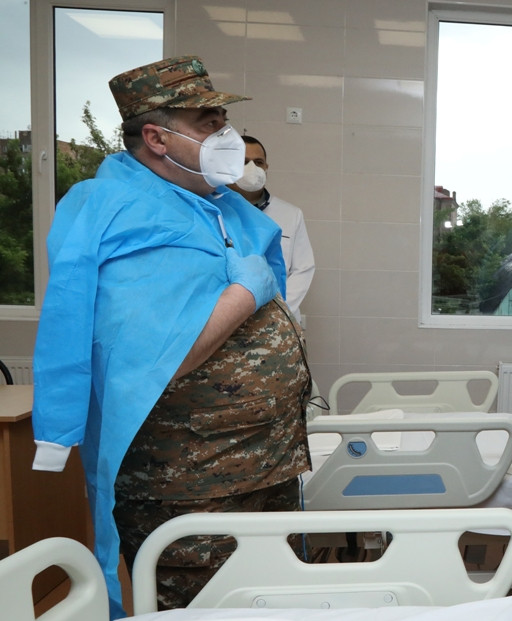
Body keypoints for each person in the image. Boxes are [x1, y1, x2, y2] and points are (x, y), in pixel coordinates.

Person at [30, 56, 312, 618]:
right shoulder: (121, 211)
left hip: (263, 463)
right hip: (194, 482)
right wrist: (246, 292)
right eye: (209, 123)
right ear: (157, 138)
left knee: (274, 604)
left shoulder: (213, 203)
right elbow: (159, 356)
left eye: (223, 120)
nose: (227, 136)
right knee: (208, 609)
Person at [228, 135, 315, 323]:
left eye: (258, 162)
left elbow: (303, 268)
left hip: (280, 320)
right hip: (230, 316)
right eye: (244, 162)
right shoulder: (215, 211)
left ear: (266, 167)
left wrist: (280, 310)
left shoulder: (290, 214)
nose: (252, 168)